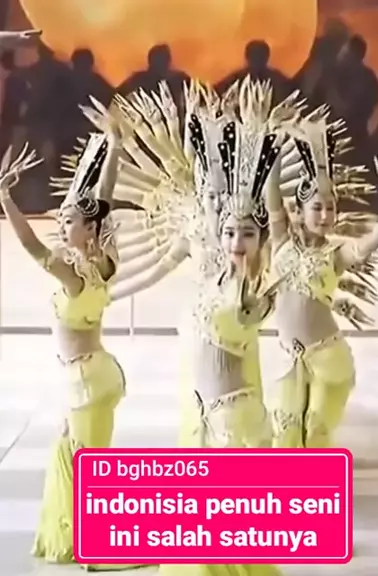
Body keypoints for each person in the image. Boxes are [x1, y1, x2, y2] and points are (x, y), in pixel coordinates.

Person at [78, 78, 290, 576]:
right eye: (229, 230)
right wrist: (109, 293)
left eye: (245, 233)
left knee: (229, 512)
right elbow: (159, 264)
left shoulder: (252, 279)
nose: (233, 236)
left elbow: (273, 234)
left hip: (233, 398)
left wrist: (263, 146)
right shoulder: (206, 250)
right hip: (203, 374)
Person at [0, 118, 129, 568]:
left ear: (88, 230)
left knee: (85, 460)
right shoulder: (105, 262)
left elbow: (32, 247)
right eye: (61, 218)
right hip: (94, 374)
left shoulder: (74, 275)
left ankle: (98, 545)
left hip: (87, 380)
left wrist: (6, 201)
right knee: (78, 453)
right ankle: (85, 537)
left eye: (69, 220)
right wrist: (114, 146)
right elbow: (104, 199)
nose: (60, 224)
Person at [262, 115, 378, 449]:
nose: (326, 215)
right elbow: (271, 195)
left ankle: (318, 481)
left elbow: (368, 245)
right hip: (289, 358)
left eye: (330, 208)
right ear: (299, 210)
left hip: (327, 357)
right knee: (285, 432)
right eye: (317, 208)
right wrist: (276, 148)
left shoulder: (336, 252)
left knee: (315, 431)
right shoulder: (281, 240)